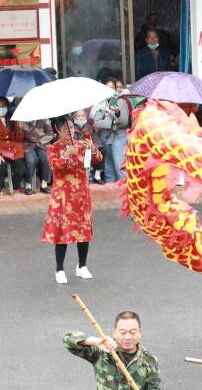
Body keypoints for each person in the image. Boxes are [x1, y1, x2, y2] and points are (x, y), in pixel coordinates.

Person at [44, 116, 103, 284]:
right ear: (57, 130)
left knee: (83, 230)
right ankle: (59, 269)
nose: (69, 131)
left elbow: (97, 160)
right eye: (64, 128)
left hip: (81, 194)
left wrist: (92, 149)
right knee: (62, 231)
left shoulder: (80, 145)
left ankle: (82, 266)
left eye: (70, 127)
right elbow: (55, 167)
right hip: (63, 195)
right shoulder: (52, 148)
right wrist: (65, 155)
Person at [0, 96, 27, 196]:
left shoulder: (12, 117)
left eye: (3, 106)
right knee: (0, 165)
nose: (1, 108)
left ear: (7, 107)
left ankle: (15, 187)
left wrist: (19, 128)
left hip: (14, 149)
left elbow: (19, 138)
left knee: (21, 168)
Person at [91, 79, 132, 184]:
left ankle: (124, 190)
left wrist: (115, 115)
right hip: (104, 136)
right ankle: (112, 188)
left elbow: (123, 121)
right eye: (107, 87)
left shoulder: (121, 101)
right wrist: (113, 122)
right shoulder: (101, 102)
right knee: (108, 166)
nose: (110, 90)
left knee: (119, 166)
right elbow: (97, 122)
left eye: (112, 87)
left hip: (118, 135)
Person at [20, 117, 54, 194]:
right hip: (28, 146)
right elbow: (25, 134)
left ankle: (44, 185)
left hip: (42, 145)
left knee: (46, 158)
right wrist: (38, 134)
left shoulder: (44, 118)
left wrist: (38, 139)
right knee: (30, 160)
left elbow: (50, 133)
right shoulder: (23, 119)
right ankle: (28, 185)